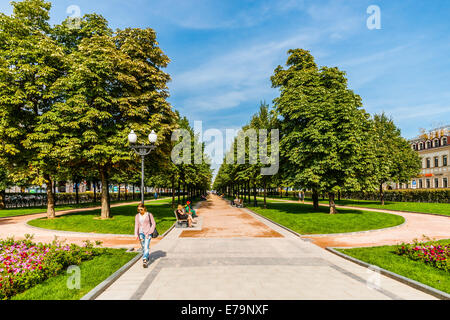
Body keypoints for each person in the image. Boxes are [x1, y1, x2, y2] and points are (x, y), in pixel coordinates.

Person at [134, 203, 156, 268]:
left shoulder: (149, 215)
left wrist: (150, 231)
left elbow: (153, 223)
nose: (140, 211)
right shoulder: (137, 216)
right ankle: (146, 255)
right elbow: (136, 225)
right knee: (143, 246)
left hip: (148, 233)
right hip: (141, 233)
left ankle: (145, 260)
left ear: (144, 208)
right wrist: (136, 234)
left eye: (141, 209)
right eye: (138, 210)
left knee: (146, 246)